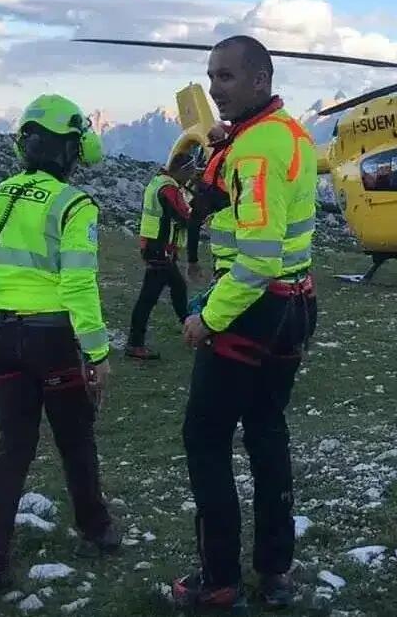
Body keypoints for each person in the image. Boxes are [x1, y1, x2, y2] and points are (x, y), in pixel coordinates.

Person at [172, 35, 319, 611]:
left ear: (260, 79)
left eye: (227, 77)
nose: (215, 88)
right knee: (266, 432)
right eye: (211, 77)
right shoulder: (292, 136)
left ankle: (219, 580)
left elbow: (256, 260)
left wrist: (204, 319)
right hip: (296, 306)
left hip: (250, 311)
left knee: (206, 437)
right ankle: (275, 572)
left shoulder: (254, 150)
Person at [0, 93, 119, 601]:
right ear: (72, 149)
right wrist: (96, 353)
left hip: (0, 336)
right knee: (75, 437)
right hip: (50, 338)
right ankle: (95, 528)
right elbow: (78, 285)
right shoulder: (73, 205)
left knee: (12, 447)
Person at [124, 151, 200, 359]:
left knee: (178, 289)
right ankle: (135, 343)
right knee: (149, 298)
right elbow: (185, 217)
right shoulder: (169, 188)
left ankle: (189, 328)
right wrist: (198, 205)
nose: (191, 177)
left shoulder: (158, 181)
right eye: (190, 172)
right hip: (160, 250)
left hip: (154, 246)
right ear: (183, 171)